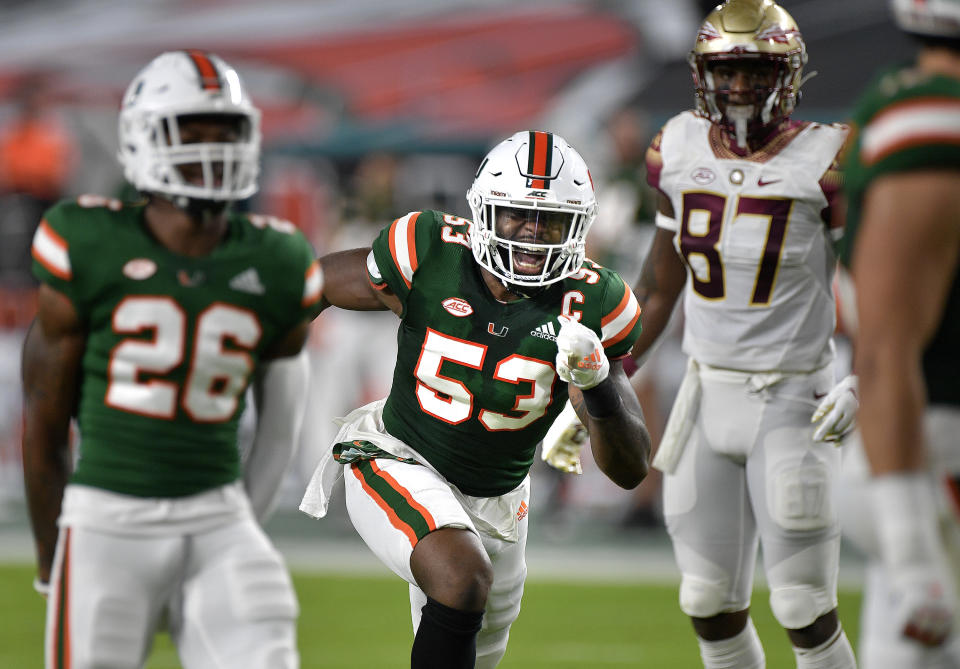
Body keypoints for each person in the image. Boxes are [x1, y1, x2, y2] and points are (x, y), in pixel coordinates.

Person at [543, 1, 859, 667]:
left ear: (790, 74)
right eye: (727, 70)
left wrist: (867, 376)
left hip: (793, 397)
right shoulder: (676, 147)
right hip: (705, 392)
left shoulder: (828, 156)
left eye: (755, 70)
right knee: (708, 601)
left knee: (804, 603)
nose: (740, 87)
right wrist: (605, 384)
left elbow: (876, 280)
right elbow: (662, 286)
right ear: (701, 74)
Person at [299, 129, 651, 668]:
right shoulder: (431, 250)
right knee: (462, 578)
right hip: (397, 455)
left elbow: (629, 469)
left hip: (501, 500)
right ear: (484, 212)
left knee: (476, 640)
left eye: (551, 222)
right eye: (517, 216)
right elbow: (316, 284)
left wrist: (597, 382)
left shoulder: (593, 301)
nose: (533, 238)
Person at [21, 50, 322, 669]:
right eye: (190, 130)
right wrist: (54, 560)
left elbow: (285, 391)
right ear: (141, 136)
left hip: (217, 517)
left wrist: (250, 508)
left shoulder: (278, 257)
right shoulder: (88, 240)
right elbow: (44, 421)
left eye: (227, 131)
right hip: (107, 521)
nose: (211, 147)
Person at [840, 0, 960, 664]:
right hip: (933, 453)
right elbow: (888, 344)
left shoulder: (911, 103)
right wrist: (913, 547)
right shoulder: (933, 121)